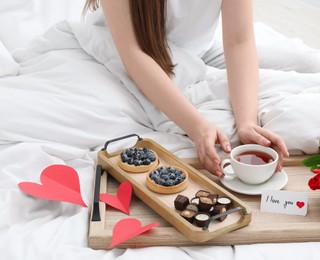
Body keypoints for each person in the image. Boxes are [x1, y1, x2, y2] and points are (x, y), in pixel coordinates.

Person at [83, 0, 289, 176]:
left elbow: (239, 40)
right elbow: (133, 53)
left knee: (312, 65)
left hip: (196, 54)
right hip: (121, 51)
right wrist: (198, 127)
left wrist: (247, 122)